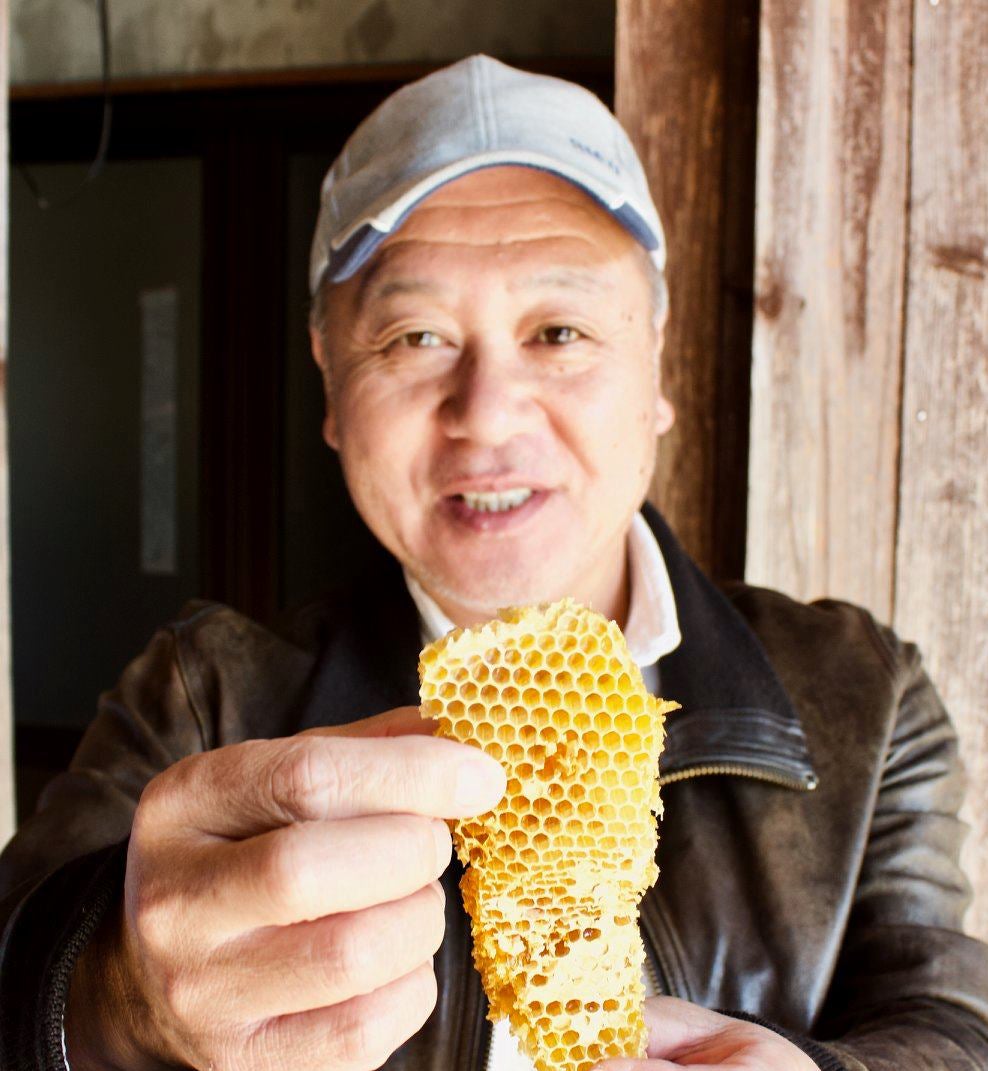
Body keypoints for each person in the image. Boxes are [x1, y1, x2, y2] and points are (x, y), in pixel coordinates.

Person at [1, 54, 986, 1071]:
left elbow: (951, 1025)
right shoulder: (199, 697)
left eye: (558, 331)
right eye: (415, 337)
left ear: (655, 364)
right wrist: (115, 998)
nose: (487, 415)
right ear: (330, 385)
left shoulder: (862, 694)